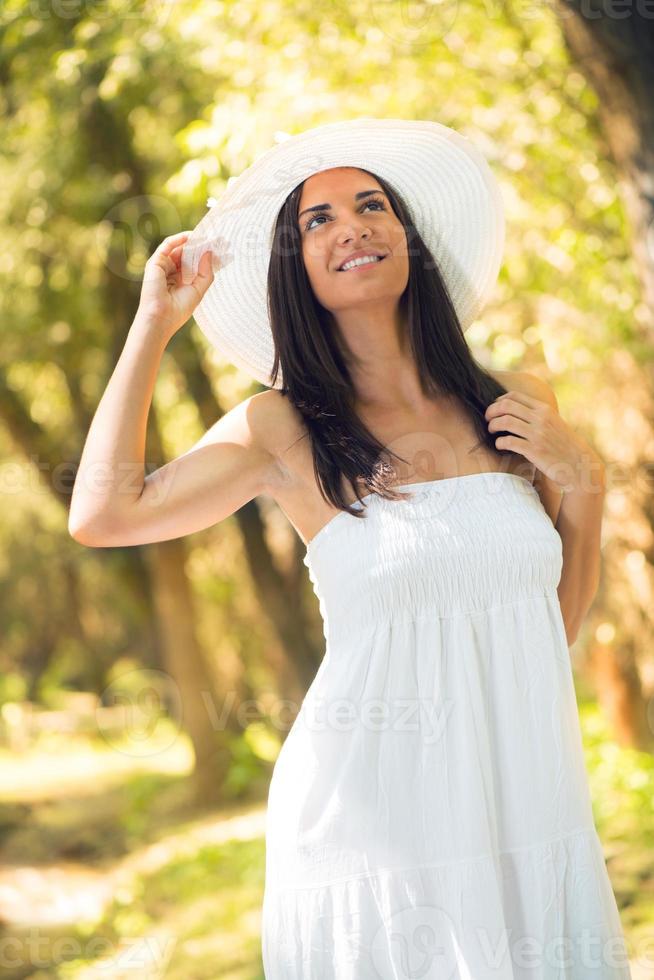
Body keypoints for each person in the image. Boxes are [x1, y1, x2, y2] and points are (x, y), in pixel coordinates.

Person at [69, 119, 631, 978]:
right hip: (375, 829)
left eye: (371, 205)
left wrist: (582, 482)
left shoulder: (516, 401)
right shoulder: (282, 428)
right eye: (318, 221)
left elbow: (549, 631)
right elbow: (102, 513)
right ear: (294, 269)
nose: (353, 227)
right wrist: (153, 325)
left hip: (525, 808)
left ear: (409, 237)